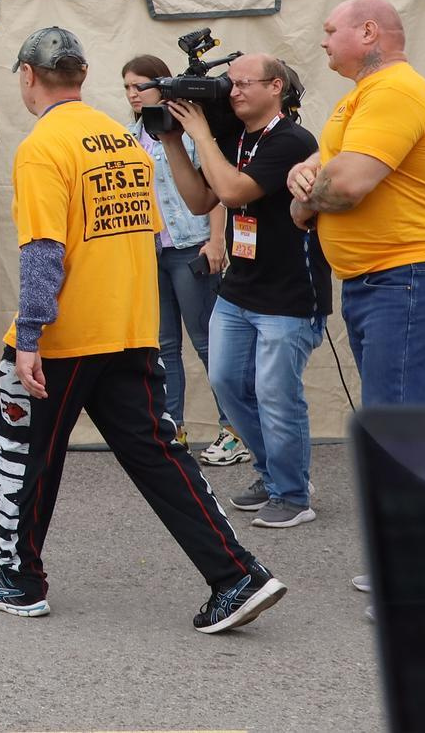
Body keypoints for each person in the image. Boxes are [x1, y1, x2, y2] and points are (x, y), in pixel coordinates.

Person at [0, 26, 282, 634]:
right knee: (160, 458)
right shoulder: (123, 140)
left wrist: (29, 335)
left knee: (26, 457)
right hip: (129, 327)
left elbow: (44, 250)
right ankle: (236, 575)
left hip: (69, 334)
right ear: (81, 77)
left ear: (28, 76)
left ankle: (19, 576)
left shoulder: (42, 146)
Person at [158, 56, 328, 528]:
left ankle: (293, 495)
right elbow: (199, 201)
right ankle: (276, 472)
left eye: (241, 83)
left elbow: (234, 193)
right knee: (228, 383)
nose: (230, 92)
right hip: (241, 288)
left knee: (276, 392)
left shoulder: (293, 140)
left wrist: (201, 136)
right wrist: (174, 141)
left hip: (290, 291)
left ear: (276, 87)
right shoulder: (235, 138)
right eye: (227, 83)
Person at [287, 0, 425, 407]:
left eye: (331, 31)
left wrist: (302, 205)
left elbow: (345, 184)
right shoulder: (361, 98)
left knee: (398, 419)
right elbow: (322, 166)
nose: (323, 42)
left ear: (368, 32)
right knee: (400, 416)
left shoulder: (395, 91)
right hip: (385, 279)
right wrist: (305, 174)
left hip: (407, 276)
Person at [123, 54, 226, 445]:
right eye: (128, 88)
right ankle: (173, 427)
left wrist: (216, 241)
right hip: (152, 252)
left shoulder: (187, 130)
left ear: (161, 85)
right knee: (164, 345)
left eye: (140, 86)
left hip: (190, 246)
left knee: (207, 340)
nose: (133, 94)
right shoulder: (128, 137)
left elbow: (216, 188)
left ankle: (231, 428)